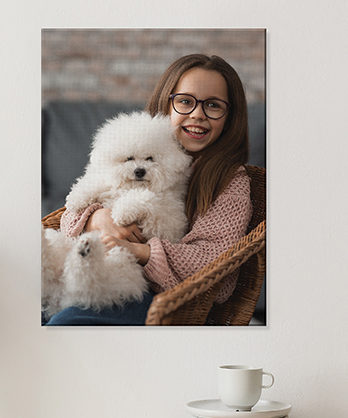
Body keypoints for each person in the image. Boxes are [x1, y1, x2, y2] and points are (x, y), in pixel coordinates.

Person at [47, 54, 253, 325]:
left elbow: (213, 259)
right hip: (91, 273)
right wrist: (96, 218)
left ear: (229, 116)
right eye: (185, 101)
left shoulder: (230, 181)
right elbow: (70, 212)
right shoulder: (133, 141)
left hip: (161, 298)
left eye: (213, 105)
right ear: (167, 103)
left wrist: (139, 251)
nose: (198, 114)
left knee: (65, 323)